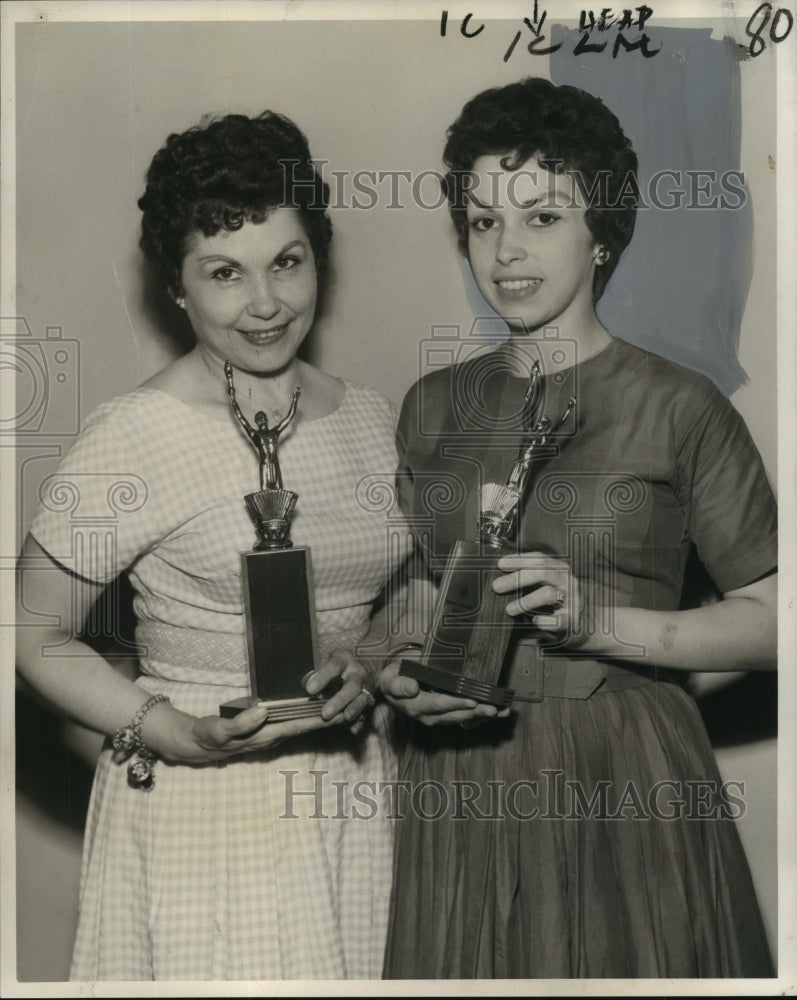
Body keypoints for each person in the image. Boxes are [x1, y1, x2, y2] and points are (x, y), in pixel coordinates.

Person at [379, 77, 776, 979]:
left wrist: (600, 622)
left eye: (542, 218)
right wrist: (394, 672)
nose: (506, 251)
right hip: (460, 775)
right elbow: (417, 598)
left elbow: (776, 620)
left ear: (601, 234)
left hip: (624, 773)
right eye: (483, 222)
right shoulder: (433, 403)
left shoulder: (681, 406)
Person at [15, 110, 410, 981]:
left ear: (319, 261)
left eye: (287, 262)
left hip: (350, 790)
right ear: (178, 288)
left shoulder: (374, 422)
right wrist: (167, 729)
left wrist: (373, 663)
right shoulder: (133, 435)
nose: (264, 303)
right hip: (202, 801)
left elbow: (396, 604)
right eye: (225, 273)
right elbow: (31, 635)